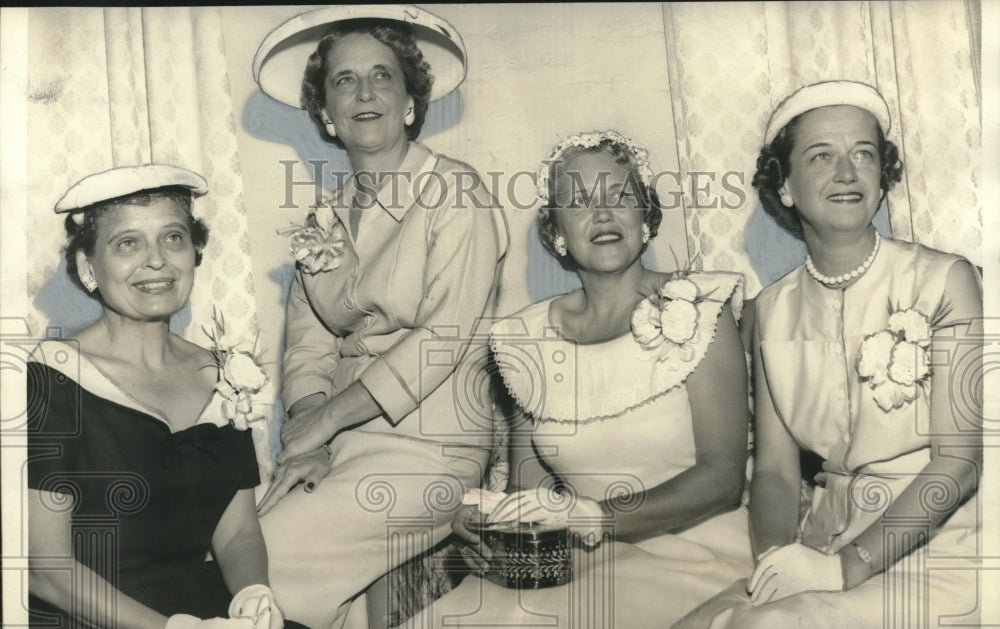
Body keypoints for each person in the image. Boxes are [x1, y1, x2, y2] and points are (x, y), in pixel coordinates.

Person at [400, 130, 753, 628]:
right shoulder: (527, 338)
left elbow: (722, 479)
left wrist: (596, 517)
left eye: (619, 196)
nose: (603, 213)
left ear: (646, 216)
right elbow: (531, 481)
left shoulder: (700, 313)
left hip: (697, 556)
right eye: (579, 201)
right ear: (556, 231)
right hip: (575, 561)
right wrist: (491, 523)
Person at [675, 80, 982, 628]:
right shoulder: (771, 308)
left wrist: (846, 568)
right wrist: (776, 561)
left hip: (942, 541)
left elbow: (957, 466)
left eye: (864, 154)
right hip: (825, 538)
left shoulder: (946, 280)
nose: (847, 171)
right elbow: (773, 472)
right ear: (785, 186)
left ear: (882, 179)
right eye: (821, 156)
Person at [251, 6, 508, 628]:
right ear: (326, 115)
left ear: (410, 101)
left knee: (262, 561)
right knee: (232, 535)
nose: (364, 93)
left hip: (431, 447)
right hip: (339, 441)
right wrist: (309, 431)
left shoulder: (457, 194)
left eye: (382, 76)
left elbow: (443, 339)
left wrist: (328, 424)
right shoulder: (323, 219)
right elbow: (308, 349)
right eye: (344, 81)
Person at [27, 164, 306, 629]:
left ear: (194, 253)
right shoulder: (48, 379)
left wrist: (254, 596)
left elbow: (236, 530)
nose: (156, 260)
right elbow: (47, 570)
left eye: (173, 238)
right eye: (127, 243)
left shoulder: (224, 373)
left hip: (202, 607)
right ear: (87, 266)